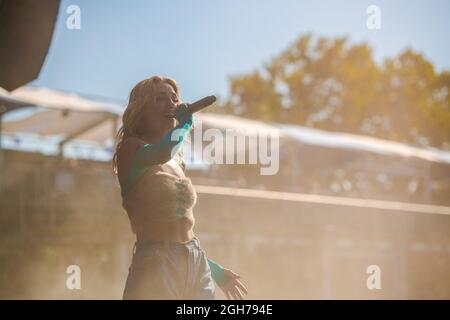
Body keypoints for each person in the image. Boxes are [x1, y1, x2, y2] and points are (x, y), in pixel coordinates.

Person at [112, 75, 248, 300]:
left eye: (174, 98)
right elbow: (163, 152)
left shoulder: (178, 162)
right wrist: (185, 123)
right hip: (157, 261)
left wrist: (215, 271)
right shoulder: (131, 149)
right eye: (160, 99)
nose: (171, 104)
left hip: (195, 261)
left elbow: (184, 233)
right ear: (141, 110)